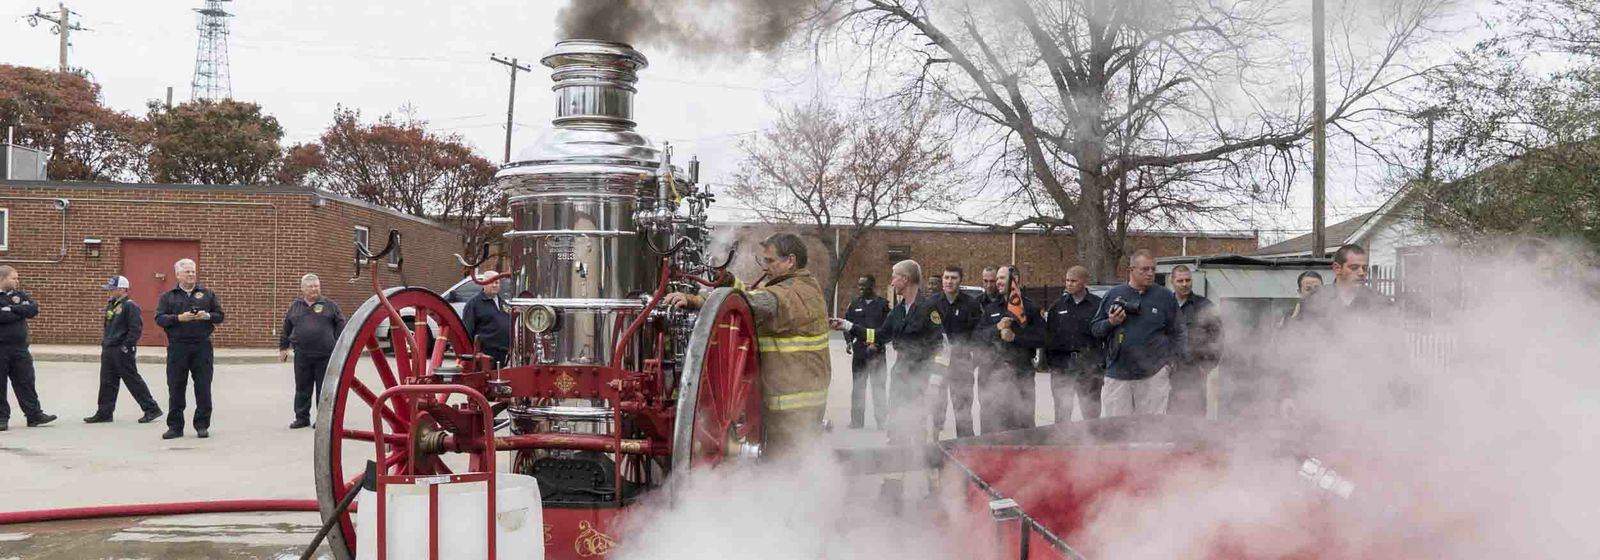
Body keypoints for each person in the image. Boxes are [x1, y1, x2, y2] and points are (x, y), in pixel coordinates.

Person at [665, 233, 832, 458]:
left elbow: (750, 303)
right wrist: (727, 280)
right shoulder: (806, 284)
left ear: (790, 261)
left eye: (771, 261)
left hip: (789, 404)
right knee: (801, 459)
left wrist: (699, 300)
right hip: (807, 397)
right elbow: (754, 295)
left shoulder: (786, 295)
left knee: (783, 464)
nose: (765, 267)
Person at [828, 259, 941, 508]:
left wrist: (934, 383)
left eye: (895, 276)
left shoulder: (928, 308)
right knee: (897, 434)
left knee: (921, 438)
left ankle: (933, 492)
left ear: (907, 279)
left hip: (920, 380)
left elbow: (941, 348)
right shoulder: (899, 310)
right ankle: (892, 492)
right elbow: (879, 335)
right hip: (901, 379)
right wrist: (847, 325)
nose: (891, 281)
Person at [1091, 250, 1186, 417]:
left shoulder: (1165, 297)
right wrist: (1111, 322)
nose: (1150, 273)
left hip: (1154, 375)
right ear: (1131, 270)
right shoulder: (1113, 294)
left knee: (1152, 430)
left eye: (1153, 269)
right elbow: (1095, 329)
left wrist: (1170, 363)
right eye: (1144, 269)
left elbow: (1179, 332)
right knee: (1116, 430)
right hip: (1118, 374)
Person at [155, 258, 225, 439]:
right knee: (176, 387)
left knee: (203, 387)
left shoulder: (207, 294)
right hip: (178, 347)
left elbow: (219, 316)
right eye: (187, 272)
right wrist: (179, 318)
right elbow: (159, 318)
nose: (191, 275)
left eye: (193, 271)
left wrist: (207, 315)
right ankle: (175, 427)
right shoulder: (168, 296)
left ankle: (202, 425)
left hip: (202, 346)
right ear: (178, 274)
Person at [84, 275, 162, 425]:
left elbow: (135, 329)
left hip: (121, 349)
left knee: (132, 380)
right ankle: (104, 412)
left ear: (122, 289)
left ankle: (151, 408)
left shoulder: (130, 306)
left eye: (113, 289)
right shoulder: (111, 304)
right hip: (109, 348)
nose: (110, 292)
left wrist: (126, 346)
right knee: (107, 381)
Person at [980, 265, 1045, 432]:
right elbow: (977, 337)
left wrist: (1016, 337)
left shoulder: (1030, 308)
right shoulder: (991, 308)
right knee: (993, 424)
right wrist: (996, 328)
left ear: (1015, 280)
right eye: (998, 278)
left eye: (1002, 278)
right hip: (994, 375)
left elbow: (1044, 339)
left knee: (1023, 424)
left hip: (1021, 374)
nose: (997, 281)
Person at [279, 273, 345, 429]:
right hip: (302, 355)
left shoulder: (330, 306)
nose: (314, 289)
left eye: (316, 286)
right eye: (310, 286)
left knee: (324, 389)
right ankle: (302, 418)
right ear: (303, 289)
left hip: (325, 355)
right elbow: (286, 328)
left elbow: (341, 325)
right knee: (302, 387)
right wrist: (283, 348)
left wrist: (336, 344)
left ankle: (323, 420)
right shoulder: (295, 307)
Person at [1042, 266, 1103, 423]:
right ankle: (1062, 445)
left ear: (1084, 282)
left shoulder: (1098, 306)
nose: (1069, 284)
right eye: (1067, 280)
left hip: (1089, 367)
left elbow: (1105, 335)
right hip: (1062, 366)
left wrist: (1100, 364)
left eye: (1074, 281)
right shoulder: (1057, 307)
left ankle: (1092, 444)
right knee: (1062, 412)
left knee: (1091, 412)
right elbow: (1049, 337)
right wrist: (1051, 365)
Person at [0, 266, 55, 431]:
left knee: (26, 381)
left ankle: (34, 415)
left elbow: (33, 309)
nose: (17, 281)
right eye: (13, 278)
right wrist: (19, 312)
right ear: (2, 278)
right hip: (1, 348)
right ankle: (2, 418)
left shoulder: (20, 295)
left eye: (17, 278)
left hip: (20, 348)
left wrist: (11, 309)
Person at [932, 266, 982, 437]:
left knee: (963, 410)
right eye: (946, 278)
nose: (949, 281)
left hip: (962, 365)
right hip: (938, 363)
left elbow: (978, 335)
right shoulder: (932, 303)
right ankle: (934, 446)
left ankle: (967, 448)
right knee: (936, 407)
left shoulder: (971, 304)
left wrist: (972, 362)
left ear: (960, 280)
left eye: (953, 278)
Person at [1169, 265, 1222, 417]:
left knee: (1194, 416)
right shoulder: (1165, 305)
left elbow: (1218, 338)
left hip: (1194, 372)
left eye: (1188, 280)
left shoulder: (1204, 306)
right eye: (1180, 281)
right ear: (1172, 281)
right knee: (1167, 418)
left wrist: (1207, 366)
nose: (1185, 284)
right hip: (1166, 372)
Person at [842, 275, 890, 430]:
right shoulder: (854, 304)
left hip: (877, 353)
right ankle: (856, 421)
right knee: (858, 387)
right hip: (860, 352)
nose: (861, 288)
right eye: (859, 285)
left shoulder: (883, 305)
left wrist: (878, 343)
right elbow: (847, 325)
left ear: (873, 286)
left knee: (878, 388)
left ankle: (882, 421)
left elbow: (888, 329)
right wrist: (849, 341)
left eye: (864, 286)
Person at [1298, 244, 1392, 322]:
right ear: (1337, 268)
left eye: (1365, 268)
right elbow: (1301, 336)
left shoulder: (1380, 302)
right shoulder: (1314, 300)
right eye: (1354, 267)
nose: (1361, 273)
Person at [461, 271, 511, 369]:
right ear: (483, 283)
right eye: (491, 282)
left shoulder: (504, 304)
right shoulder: (473, 304)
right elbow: (467, 332)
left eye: (497, 282)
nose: (494, 285)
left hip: (502, 354)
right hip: (485, 356)